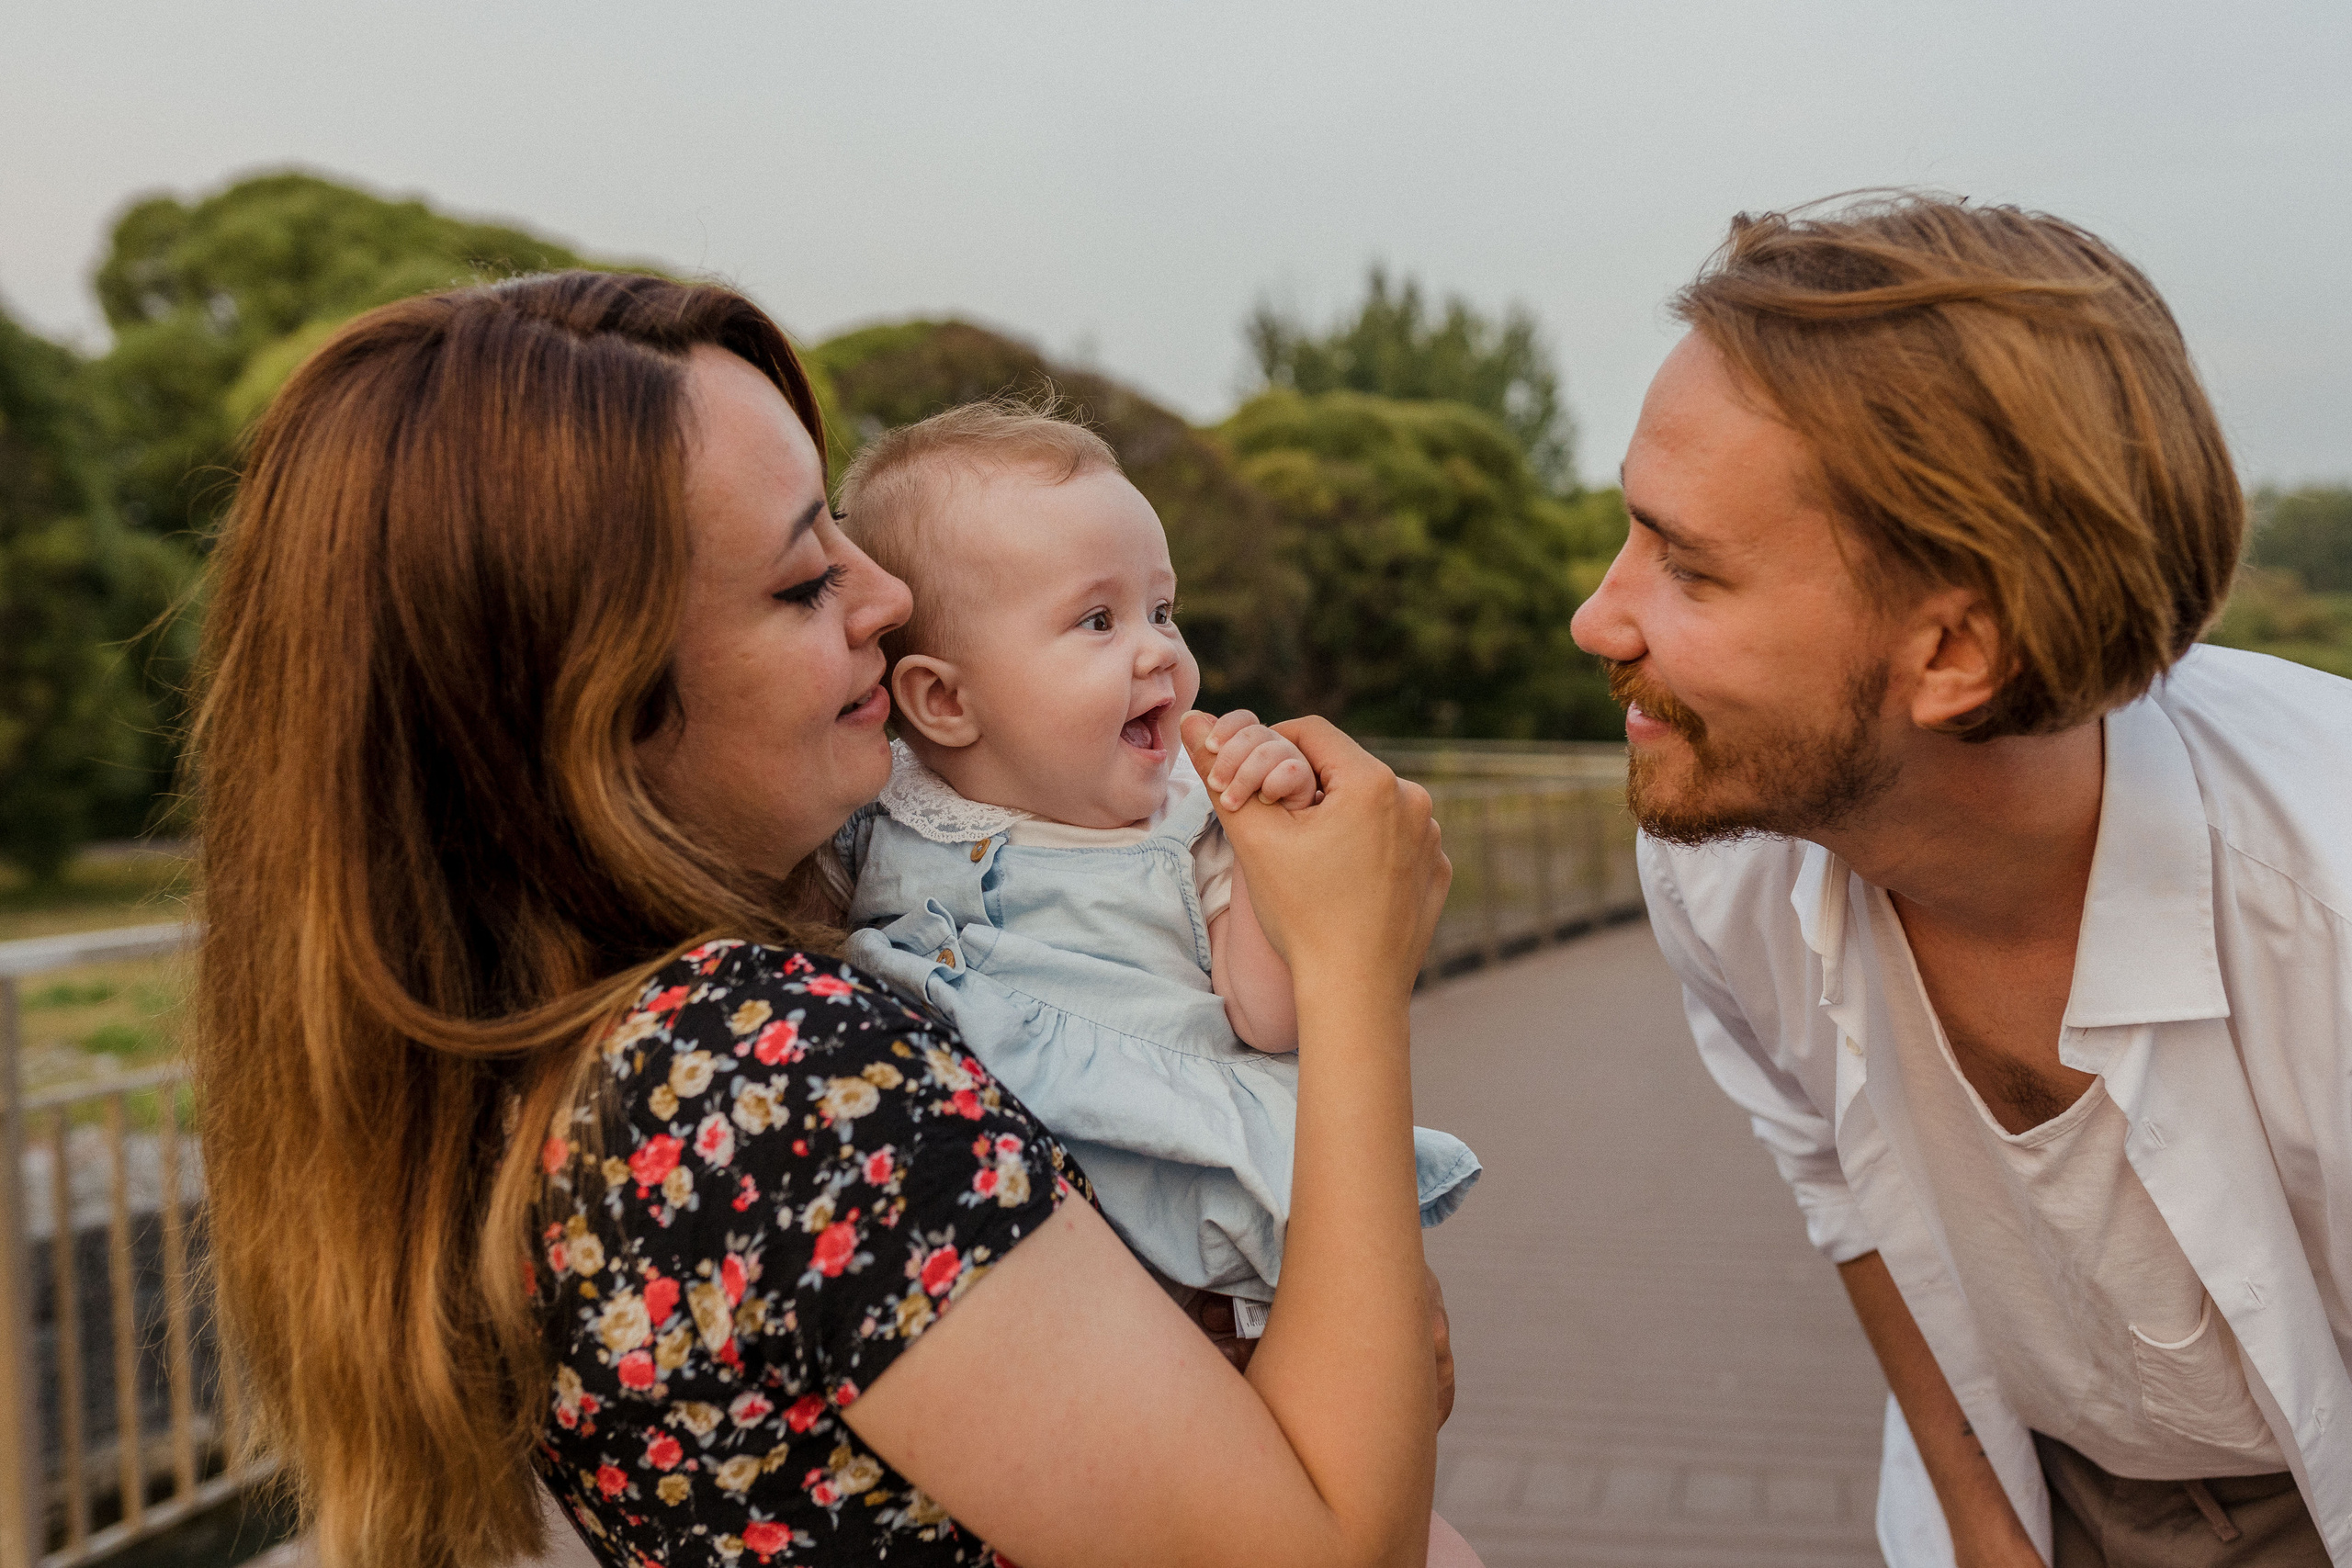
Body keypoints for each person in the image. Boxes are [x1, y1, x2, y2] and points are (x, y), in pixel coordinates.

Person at [190, 271, 1463, 1568]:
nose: (889, 598)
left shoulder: (553, 1066)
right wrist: (1354, 965)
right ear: (602, 709)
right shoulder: (763, 1071)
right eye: (806, 580)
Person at [1570, 195, 2351, 1567]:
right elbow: (1841, 1187)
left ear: (1958, 653)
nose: (1597, 616)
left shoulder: (2324, 910)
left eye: (1688, 565)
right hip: (2046, 1477)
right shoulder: (1723, 866)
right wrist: (1987, 1527)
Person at [830, 400, 1480, 1349]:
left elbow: (1270, 1014)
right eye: (1098, 619)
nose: (1158, 649)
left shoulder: (1188, 822)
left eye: (1163, 609)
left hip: (1206, 1277)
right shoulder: (873, 808)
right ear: (942, 697)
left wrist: (1268, 847)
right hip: (1017, 1285)